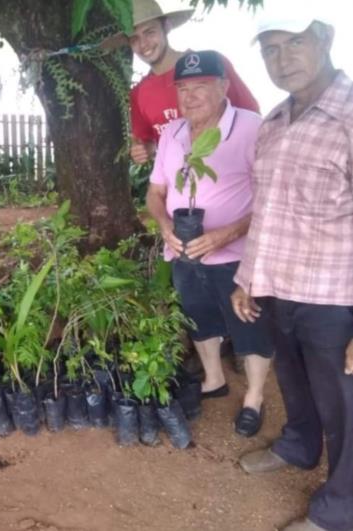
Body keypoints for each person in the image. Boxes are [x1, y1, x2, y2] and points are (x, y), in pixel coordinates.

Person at [233, 7, 353, 531]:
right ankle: (300, 446)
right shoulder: (276, 121)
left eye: (294, 43)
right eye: (270, 49)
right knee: (296, 386)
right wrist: (247, 277)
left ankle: (341, 511)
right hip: (281, 289)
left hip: (336, 296)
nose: (282, 60)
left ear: (324, 38)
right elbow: (268, 209)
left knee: (345, 408)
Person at [147, 50, 273, 437]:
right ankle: (214, 379)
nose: (190, 96)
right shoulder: (172, 134)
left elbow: (273, 198)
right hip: (183, 250)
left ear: (223, 86)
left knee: (250, 325)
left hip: (237, 254)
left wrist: (225, 234)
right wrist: (164, 223)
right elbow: (155, 192)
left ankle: (254, 397)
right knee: (198, 316)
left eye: (201, 86)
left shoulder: (254, 128)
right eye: (183, 88)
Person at [102, 0, 259, 164]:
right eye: (134, 39)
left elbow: (252, 115)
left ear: (166, 27)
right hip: (178, 185)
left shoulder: (212, 64)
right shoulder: (138, 94)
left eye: (150, 32)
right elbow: (147, 142)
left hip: (230, 179)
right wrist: (143, 149)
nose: (143, 44)